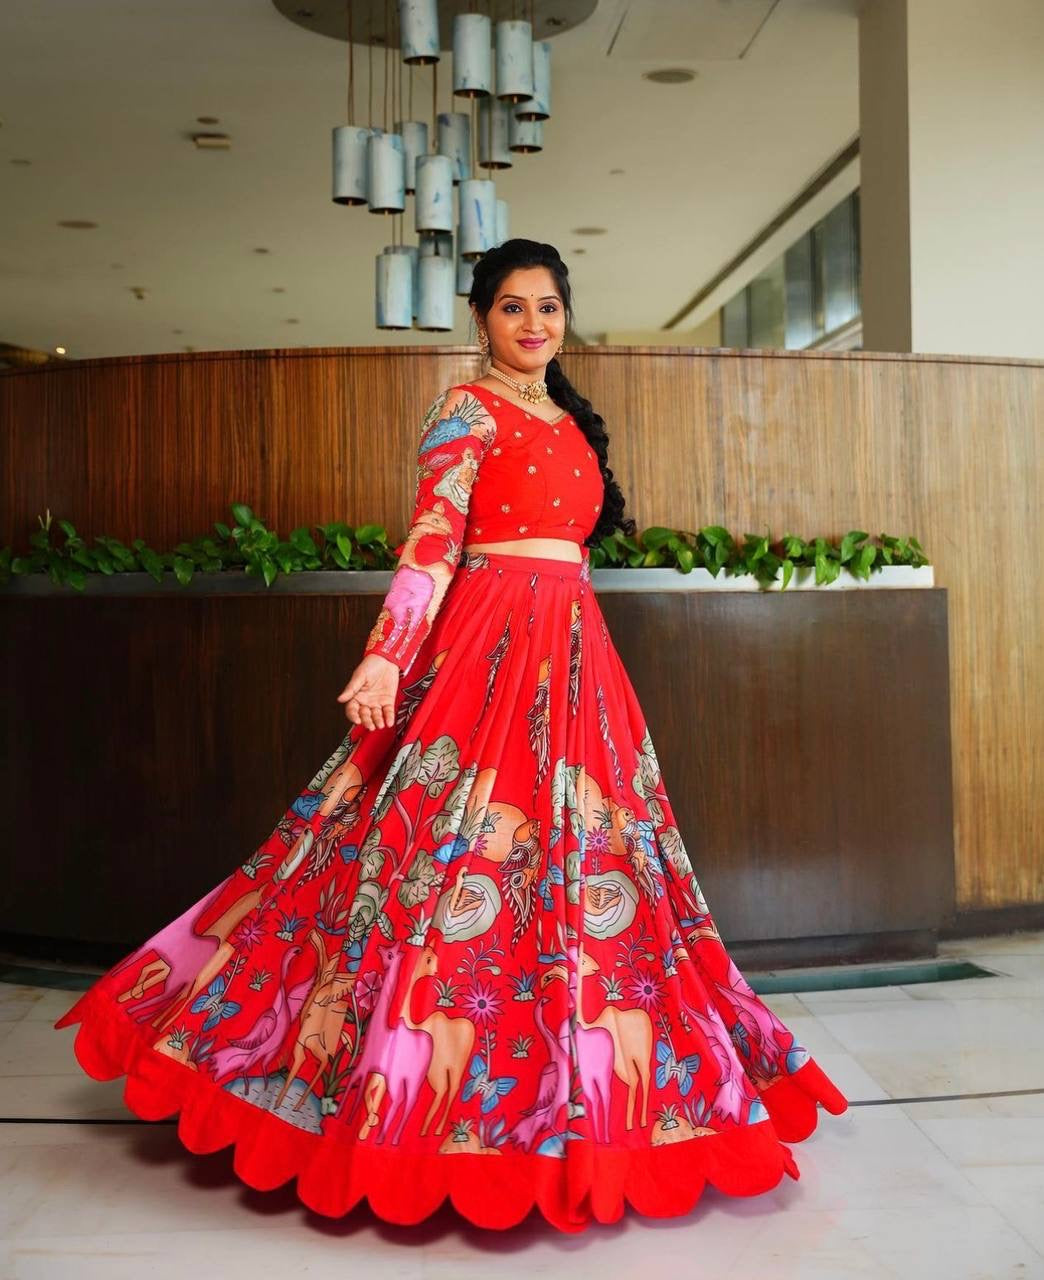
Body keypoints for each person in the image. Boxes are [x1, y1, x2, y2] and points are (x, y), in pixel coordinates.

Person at [56, 238, 848, 1233]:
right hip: (485, 648)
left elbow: (573, 558)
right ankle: (391, 1089)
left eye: (548, 307)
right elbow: (433, 538)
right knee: (435, 854)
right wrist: (389, 653)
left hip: (574, 656)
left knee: (589, 859)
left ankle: (573, 1093)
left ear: (565, 316)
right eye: (512, 308)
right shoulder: (464, 410)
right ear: (481, 317)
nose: (532, 325)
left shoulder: (569, 421)